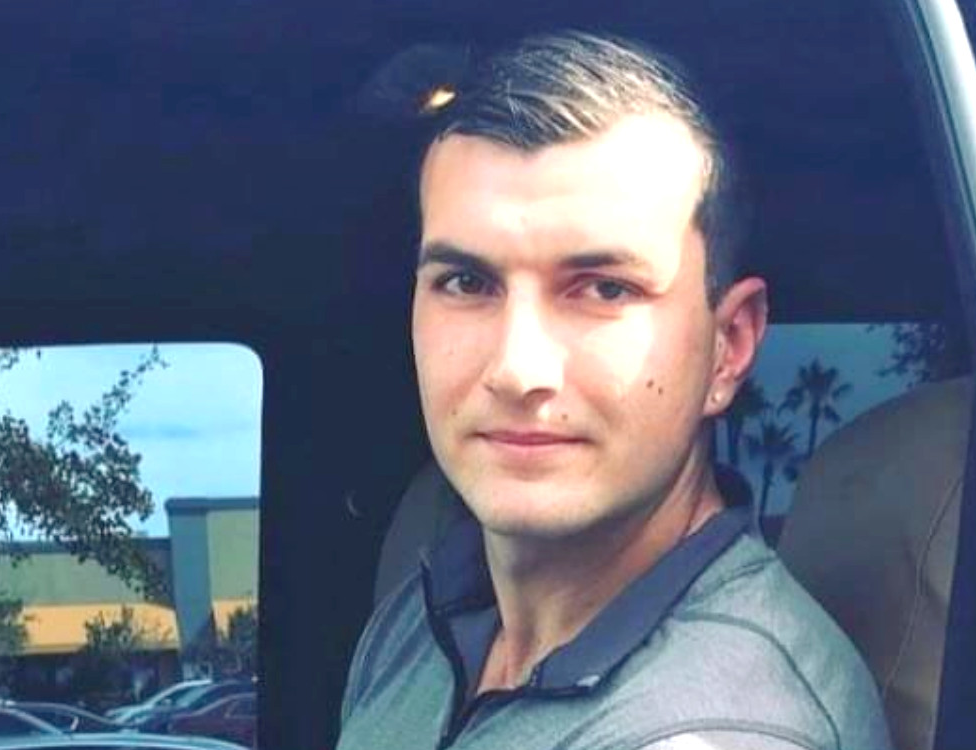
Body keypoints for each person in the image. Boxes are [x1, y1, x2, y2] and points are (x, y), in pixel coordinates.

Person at [336, 31, 893, 750]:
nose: (517, 369)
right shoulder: (419, 623)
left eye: (604, 289)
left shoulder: (724, 729)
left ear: (728, 346)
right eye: (467, 282)